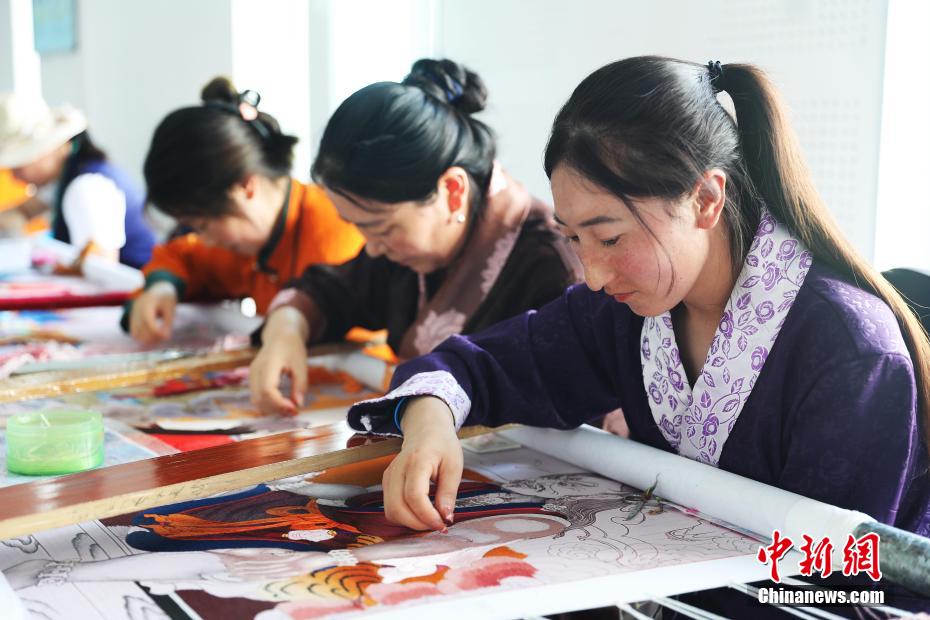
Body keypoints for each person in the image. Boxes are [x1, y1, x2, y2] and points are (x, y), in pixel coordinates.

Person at [347, 56, 930, 547]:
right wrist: (429, 423)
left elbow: (837, 585)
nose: (593, 275)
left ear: (705, 199)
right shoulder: (624, 311)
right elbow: (480, 364)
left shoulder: (851, 352)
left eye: (610, 238)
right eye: (575, 240)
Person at [249, 59, 581, 415]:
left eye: (382, 228)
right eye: (358, 227)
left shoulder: (553, 266)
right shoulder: (405, 254)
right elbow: (330, 291)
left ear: (452, 191)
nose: (372, 248)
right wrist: (286, 330)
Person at [125, 77, 365, 344]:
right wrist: (162, 287)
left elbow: (365, 353)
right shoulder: (250, 244)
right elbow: (183, 256)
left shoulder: (335, 238)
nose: (205, 240)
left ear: (245, 187)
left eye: (203, 226)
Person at [0, 93, 155, 266]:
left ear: (53, 148)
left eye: (19, 166)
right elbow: (23, 211)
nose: (14, 176)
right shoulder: (65, 178)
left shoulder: (87, 188)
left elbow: (100, 267)